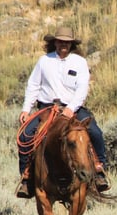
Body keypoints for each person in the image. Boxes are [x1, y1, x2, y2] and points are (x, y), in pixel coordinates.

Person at [16, 26, 110, 198]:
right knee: (25, 136)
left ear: (71, 44)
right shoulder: (44, 61)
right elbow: (33, 85)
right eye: (60, 42)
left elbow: (82, 89)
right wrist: (26, 109)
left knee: (95, 132)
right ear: (55, 43)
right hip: (46, 108)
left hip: (72, 108)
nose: (63, 45)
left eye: (67, 42)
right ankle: (26, 178)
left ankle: (99, 170)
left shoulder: (79, 62)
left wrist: (70, 109)